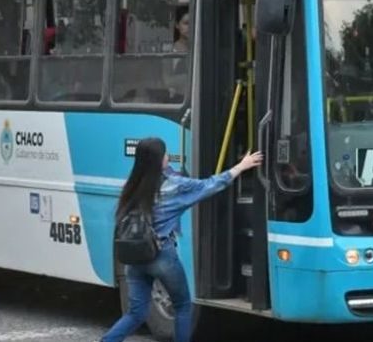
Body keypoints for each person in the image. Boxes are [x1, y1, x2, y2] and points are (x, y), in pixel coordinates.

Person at [101, 138, 263, 342]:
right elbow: (211, 185)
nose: (168, 156)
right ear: (159, 160)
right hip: (161, 256)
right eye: (165, 154)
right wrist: (241, 166)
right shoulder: (174, 187)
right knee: (182, 306)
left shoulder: (133, 183)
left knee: (136, 313)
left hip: (134, 258)